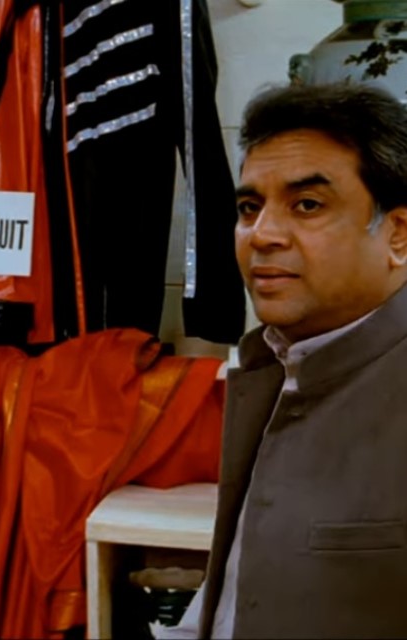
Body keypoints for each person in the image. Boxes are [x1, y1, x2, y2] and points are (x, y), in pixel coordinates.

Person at [159, 81, 407, 640]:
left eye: (308, 205)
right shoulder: (272, 366)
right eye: (249, 208)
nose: (262, 235)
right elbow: (232, 602)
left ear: (397, 234)